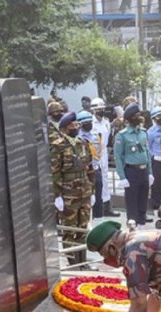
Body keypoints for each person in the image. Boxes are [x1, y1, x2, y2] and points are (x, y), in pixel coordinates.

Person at [51, 112, 93, 263]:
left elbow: (89, 167)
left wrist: (91, 190)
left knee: (83, 229)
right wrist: (57, 196)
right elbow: (55, 172)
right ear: (65, 128)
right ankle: (72, 264)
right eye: (73, 125)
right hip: (69, 195)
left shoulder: (82, 142)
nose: (76, 127)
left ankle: (82, 262)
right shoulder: (58, 146)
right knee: (70, 230)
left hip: (84, 193)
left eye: (77, 125)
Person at [114, 103, 153, 224]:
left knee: (143, 202)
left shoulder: (143, 132)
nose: (139, 117)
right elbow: (118, 157)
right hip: (131, 172)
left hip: (143, 171)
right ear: (130, 118)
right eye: (136, 115)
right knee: (132, 203)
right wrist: (122, 177)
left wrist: (150, 172)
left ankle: (142, 224)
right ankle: (132, 227)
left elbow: (147, 153)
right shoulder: (122, 135)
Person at [91, 98, 119, 217]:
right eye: (99, 109)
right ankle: (98, 209)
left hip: (104, 153)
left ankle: (107, 207)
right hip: (94, 154)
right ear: (94, 110)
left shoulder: (106, 122)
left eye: (102, 108)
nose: (101, 111)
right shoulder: (91, 123)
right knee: (97, 182)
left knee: (106, 180)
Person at [77, 111, 102, 217]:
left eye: (90, 122)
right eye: (86, 122)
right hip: (85, 173)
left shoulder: (96, 135)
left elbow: (99, 152)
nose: (89, 124)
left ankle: (98, 218)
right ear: (80, 124)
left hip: (96, 169)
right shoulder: (77, 138)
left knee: (98, 197)